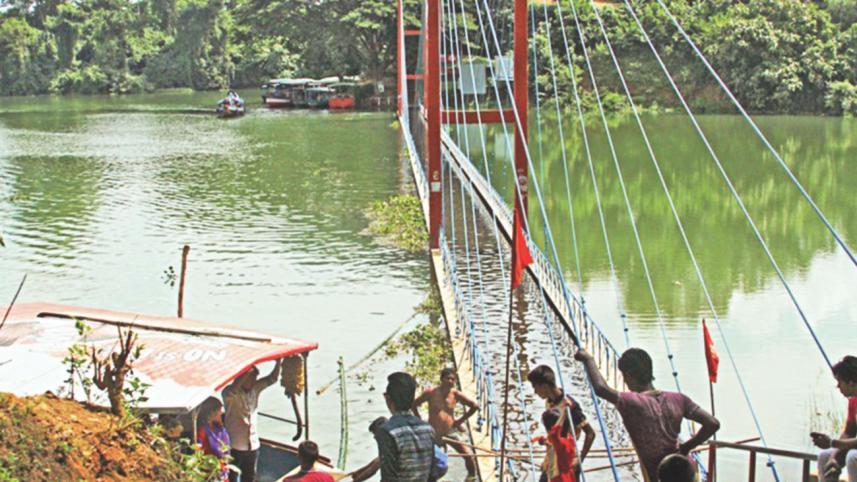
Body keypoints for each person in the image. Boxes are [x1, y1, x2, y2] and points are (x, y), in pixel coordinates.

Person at [574, 348, 719, 481]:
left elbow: (601, 388)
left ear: (629, 376)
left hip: (662, 476)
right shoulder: (679, 399)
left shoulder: (632, 402)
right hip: (687, 472)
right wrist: (686, 447)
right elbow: (712, 423)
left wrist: (588, 359)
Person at [527, 364, 595, 479]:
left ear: (545, 386)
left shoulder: (571, 407)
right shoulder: (549, 401)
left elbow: (590, 433)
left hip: (566, 463)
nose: (535, 392)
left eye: (535, 387)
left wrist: (580, 460)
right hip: (552, 460)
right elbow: (555, 433)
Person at [412, 367, 479, 478]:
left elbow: (474, 406)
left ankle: (471, 478)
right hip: (433, 433)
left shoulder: (455, 394)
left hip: (450, 431)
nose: (450, 381)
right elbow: (413, 404)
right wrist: (419, 420)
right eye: (448, 378)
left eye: (453, 379)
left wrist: (459, 421)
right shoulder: (430, 392)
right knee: (429, 461)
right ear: (441, 379)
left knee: (468, 455)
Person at [222, 360, 282, 482]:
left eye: (255, 378)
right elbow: (232, 389)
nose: (254, 381)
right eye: (251, 378)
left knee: (249, 477)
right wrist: (246, 371)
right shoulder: (229, 393)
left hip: (253, 444)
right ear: (243, 379)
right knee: (232, 477)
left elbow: (272, 379)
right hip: (235, 445)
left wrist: (279, 361)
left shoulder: (255, 389)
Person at [373, 372, 435, 481]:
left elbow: (389, 476)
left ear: (388, 399)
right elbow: (432, 471)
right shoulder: (428, 429)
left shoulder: (387, 431)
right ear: (412, 400)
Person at [352, 417, 448, 482]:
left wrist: (355, 481)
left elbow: (375, 467)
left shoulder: (389, 438)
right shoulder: (397, 432)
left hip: (436, 465)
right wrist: (359, 471)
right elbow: (378, 460)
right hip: (437, 461)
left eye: (375, 434)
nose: (375, 437)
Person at [812, 355, 857, 481]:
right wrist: (833, 458)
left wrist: (832, 443)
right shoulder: (853, 401)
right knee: (824, 456)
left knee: (853, 457)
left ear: (851, 382)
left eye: (840, 382)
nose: (838, 386)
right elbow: (849, 432)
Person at [537, 408, 580, 482]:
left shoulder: (559, 442)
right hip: (568, 476)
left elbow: (553, 434)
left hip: (559, 478)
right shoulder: (569, 438)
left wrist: (563, 415)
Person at [197, 397, 231, 482]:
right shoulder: (202, 432)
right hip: (210, 474)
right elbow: (199, 454)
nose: (221, 413)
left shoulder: (221, 429)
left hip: (223, 473)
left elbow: (227, 452)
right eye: (219, 410)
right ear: (211, 412)